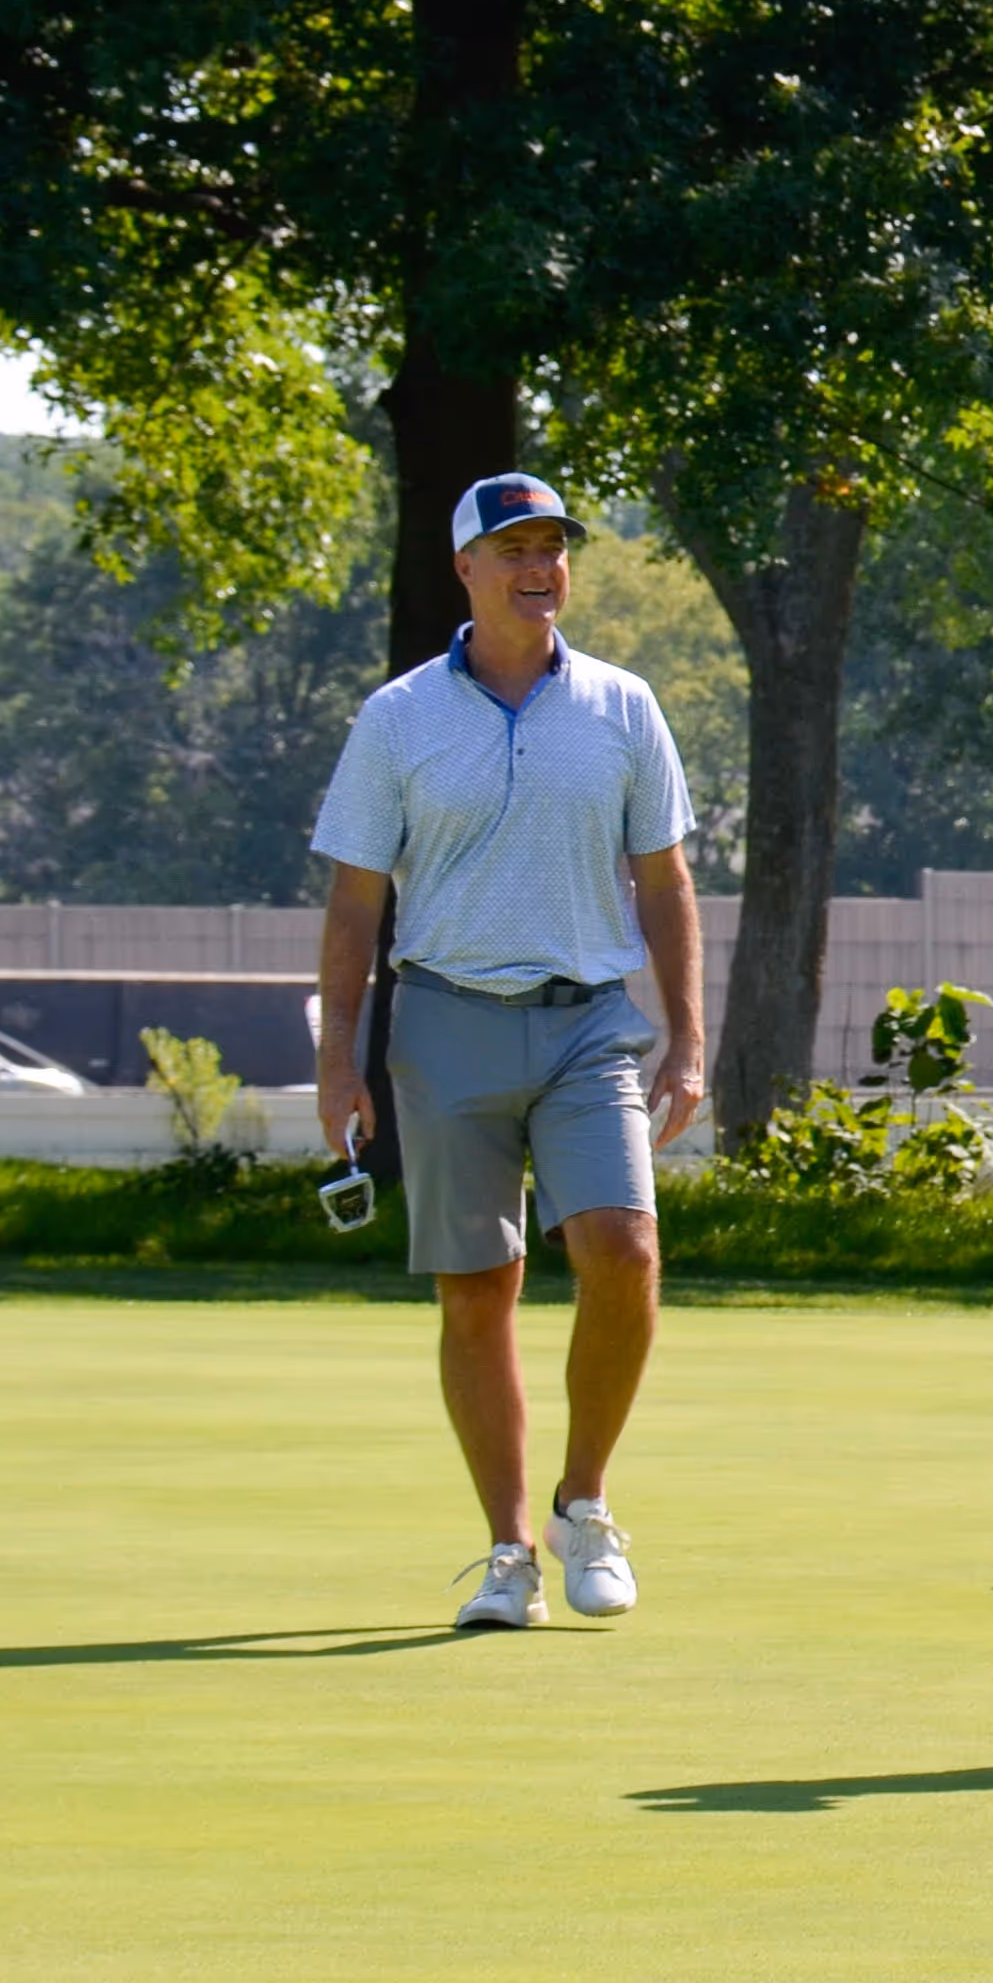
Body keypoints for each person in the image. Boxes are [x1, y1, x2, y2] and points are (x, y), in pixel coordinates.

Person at [309, 471, 707, 1634]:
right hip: (444, 1022)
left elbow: (664, 881)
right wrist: (339, 1062)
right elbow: (353, 903)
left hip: (589, 1024)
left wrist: (688, 1039)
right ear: (466, 569)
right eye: (515, 548)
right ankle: (508, 1551)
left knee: (624, 1250)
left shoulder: (623, 705)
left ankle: (585, 1504)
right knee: (479, 1289)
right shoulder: (397, 718)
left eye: (553, 547)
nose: (541, 567)